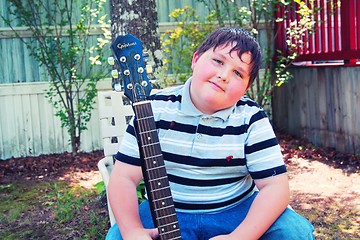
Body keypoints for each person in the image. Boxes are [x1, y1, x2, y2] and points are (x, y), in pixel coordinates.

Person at [106, 27, 314, 240]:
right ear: (195, 59)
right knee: (118, 237)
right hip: (164, 211)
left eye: (237, 73)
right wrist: (132, 230)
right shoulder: (154, 108)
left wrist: (240, 237)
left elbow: (275, 187)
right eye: (218, 61)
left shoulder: (251, 118)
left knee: (294, 232)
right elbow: (124, 177)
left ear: (246, 88)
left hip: (235, 210)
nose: (223, 75)